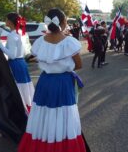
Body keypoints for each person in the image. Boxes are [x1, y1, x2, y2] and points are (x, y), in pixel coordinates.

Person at [18, 8, 87, 151]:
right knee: (63, 113)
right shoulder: (69, 42)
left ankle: (42, 143)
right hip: (63, 82)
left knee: (42, 112)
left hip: (45, 81)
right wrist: (63, 66)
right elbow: (78, 65)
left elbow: (38, 58)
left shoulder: (40, 41)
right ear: (63, 22)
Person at [0, 13, 34, 113]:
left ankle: (23, 113)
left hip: (15, 64)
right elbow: (24, 51)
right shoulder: (21, 32)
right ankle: (29, 112)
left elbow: (12, 55)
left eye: (6, 19)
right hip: (22, 63)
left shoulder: (12, 35)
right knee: (25, 90)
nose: (5, 21)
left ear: (10, 22)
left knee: (18, 90)